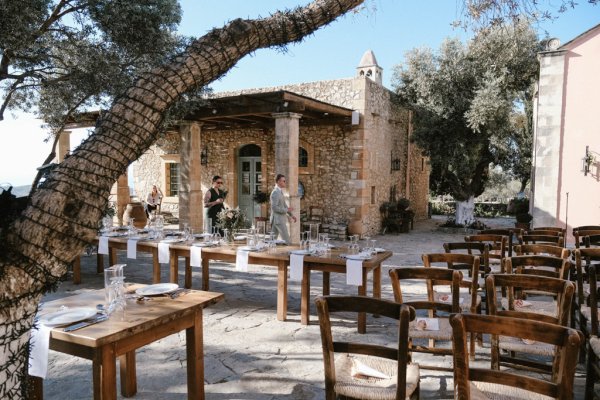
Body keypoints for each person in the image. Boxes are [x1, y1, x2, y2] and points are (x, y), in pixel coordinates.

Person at [270, 174, 297, 244]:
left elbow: (284, 205)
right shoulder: (275, 193)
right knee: (288, 242)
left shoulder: (279, 191)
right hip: (279, 220)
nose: (285, 182)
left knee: (271, 242)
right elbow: (274, 208)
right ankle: (292, 254)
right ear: (278, 181)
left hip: (277, 220)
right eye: (284, 181)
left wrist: (291, 215)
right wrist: (286, 210)